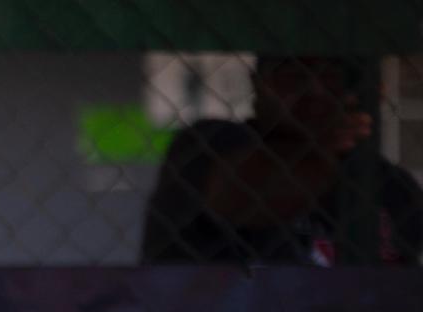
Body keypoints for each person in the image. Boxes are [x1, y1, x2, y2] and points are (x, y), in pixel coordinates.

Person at [141, 55, 423, 265]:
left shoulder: (390, 185)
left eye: (331, 74)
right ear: (259, 85)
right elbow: (250, 196)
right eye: (293, 74)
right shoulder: (213, 143)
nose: (314, 89)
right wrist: (325, 146)